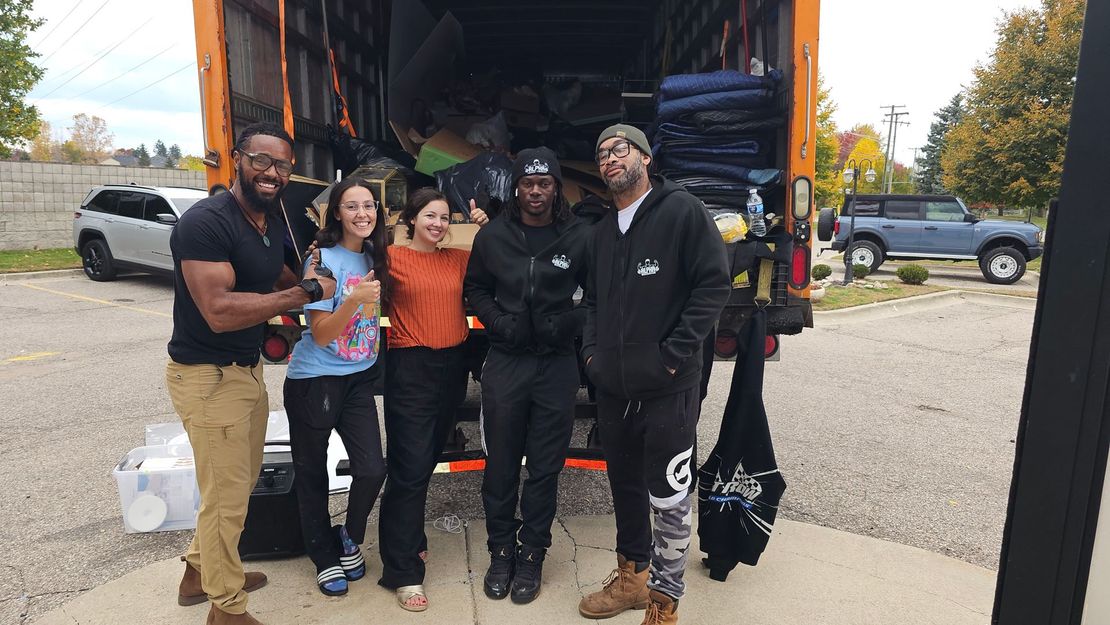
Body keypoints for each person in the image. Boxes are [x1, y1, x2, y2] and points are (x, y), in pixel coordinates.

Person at [166, 122, 336, 625]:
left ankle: (200, 574)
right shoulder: (206, 223)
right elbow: (218, 309)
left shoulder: (265, 218)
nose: (272, 172)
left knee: (233, 489)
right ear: (238, 159)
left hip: (243, 372)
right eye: (261, 160)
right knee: (225, 500)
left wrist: (307, 279)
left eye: (282, 164)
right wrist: (303, 295)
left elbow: (274, 273)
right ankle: (227, 608)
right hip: (206, 377)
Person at [578, 124, 730, 625]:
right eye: (601, 154)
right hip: (614, 390)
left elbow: (712, 287)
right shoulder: (601, 231)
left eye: (619, 149)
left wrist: (672, 356)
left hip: (668, 387)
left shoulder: (682, 212)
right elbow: (593, 302)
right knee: (623, 487)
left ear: (645, 157)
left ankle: (665, 602)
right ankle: (633, 580)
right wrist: (593, 357)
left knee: (668, 497)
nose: (608, 159)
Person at [464, 147, 589, 605]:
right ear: (516, 188)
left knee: (544, 467)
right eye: (527, 183)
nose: (536, 191)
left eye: (545, 183)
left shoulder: (579, 236)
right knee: (500, 464)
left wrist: (568, 325)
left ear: (556, 188)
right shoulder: (494, 236)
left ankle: (532, 552)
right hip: (506, 360)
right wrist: (498, 321)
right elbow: (475, 288)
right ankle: (501, 550)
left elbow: (595, 298)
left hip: (556, 364)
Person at [377, 188, 489, 611]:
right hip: (411, 369)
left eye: (445, 218)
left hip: (452, 370)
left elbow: (500, 259)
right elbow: (349, 257)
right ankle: (403, 571)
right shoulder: (391, 258)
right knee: (408, 468)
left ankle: (410, 540)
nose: (438, 224)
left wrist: (486, 228)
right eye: (430, 216)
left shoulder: (458, 259)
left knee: (424, 462)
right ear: (411, 219)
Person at [282, 176, 390, 597]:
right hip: (315, 381)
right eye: (352, 206)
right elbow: (322, 334)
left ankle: (348, 535)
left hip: (358, 379)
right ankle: (323, 557)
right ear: (337, 214)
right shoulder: (320, 262)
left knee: (372, 468)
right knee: (313, 474)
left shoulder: (372, 258)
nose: (363, 213)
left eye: (369, 206)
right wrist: (354, 299)